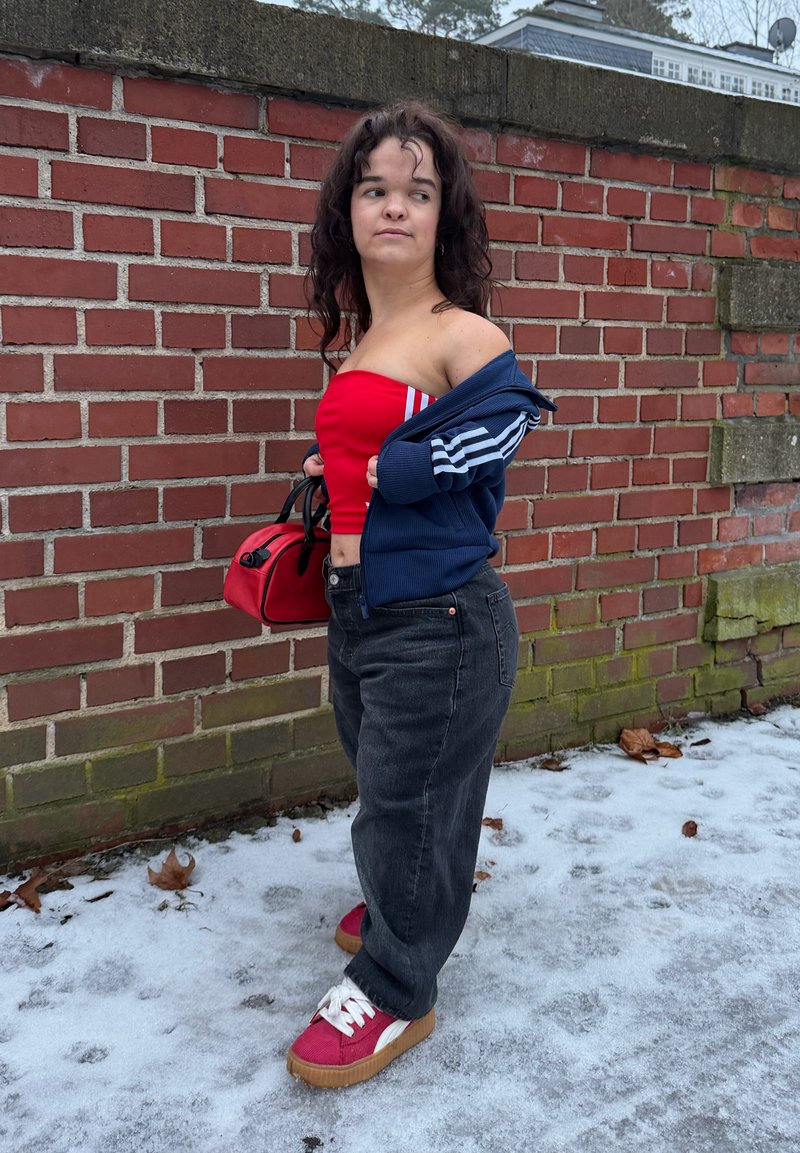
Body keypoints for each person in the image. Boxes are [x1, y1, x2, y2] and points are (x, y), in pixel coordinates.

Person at [286, 102, 557, 1089]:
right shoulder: (365, 338)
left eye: (416, 190)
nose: (392, 206)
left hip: (440, 614)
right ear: (346, 213)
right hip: (361, 610)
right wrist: (336, 467)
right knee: (389, 787)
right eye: (372, 189)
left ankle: (399, 982)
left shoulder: (460, 330)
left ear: (446, 216)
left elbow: (504, 428)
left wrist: (396, 469)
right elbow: (379, 445)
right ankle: (409, 898)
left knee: (400, 805)